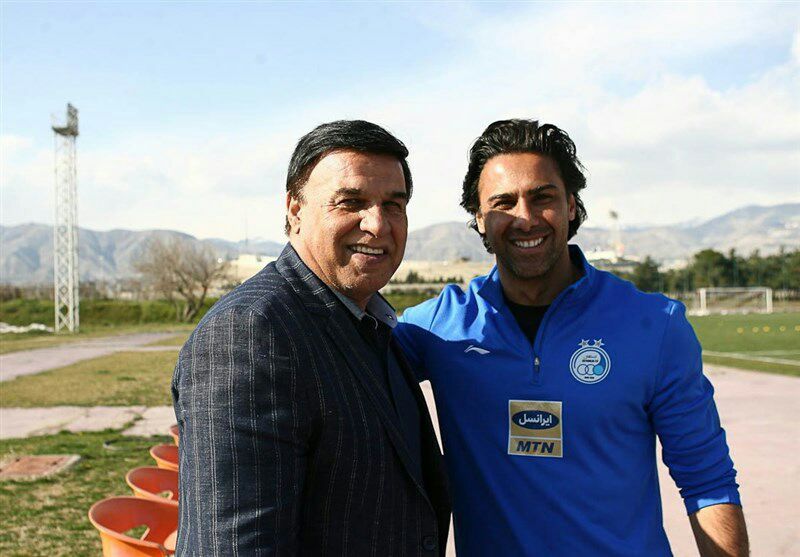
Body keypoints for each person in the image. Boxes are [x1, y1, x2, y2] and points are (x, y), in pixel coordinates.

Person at [394, 119, 748, 556]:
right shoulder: (433, 329)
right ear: (480, 219)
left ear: (572, 207)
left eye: (543, 197)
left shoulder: (655, 325)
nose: (525, 218)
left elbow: (707, 480)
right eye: (503, 202)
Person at [172, 120, 450, 556]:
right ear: (295, 210)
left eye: (393, 205)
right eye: (351, 202)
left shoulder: (372, 323)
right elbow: (236, 546)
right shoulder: (251, 334)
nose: (377, 224)